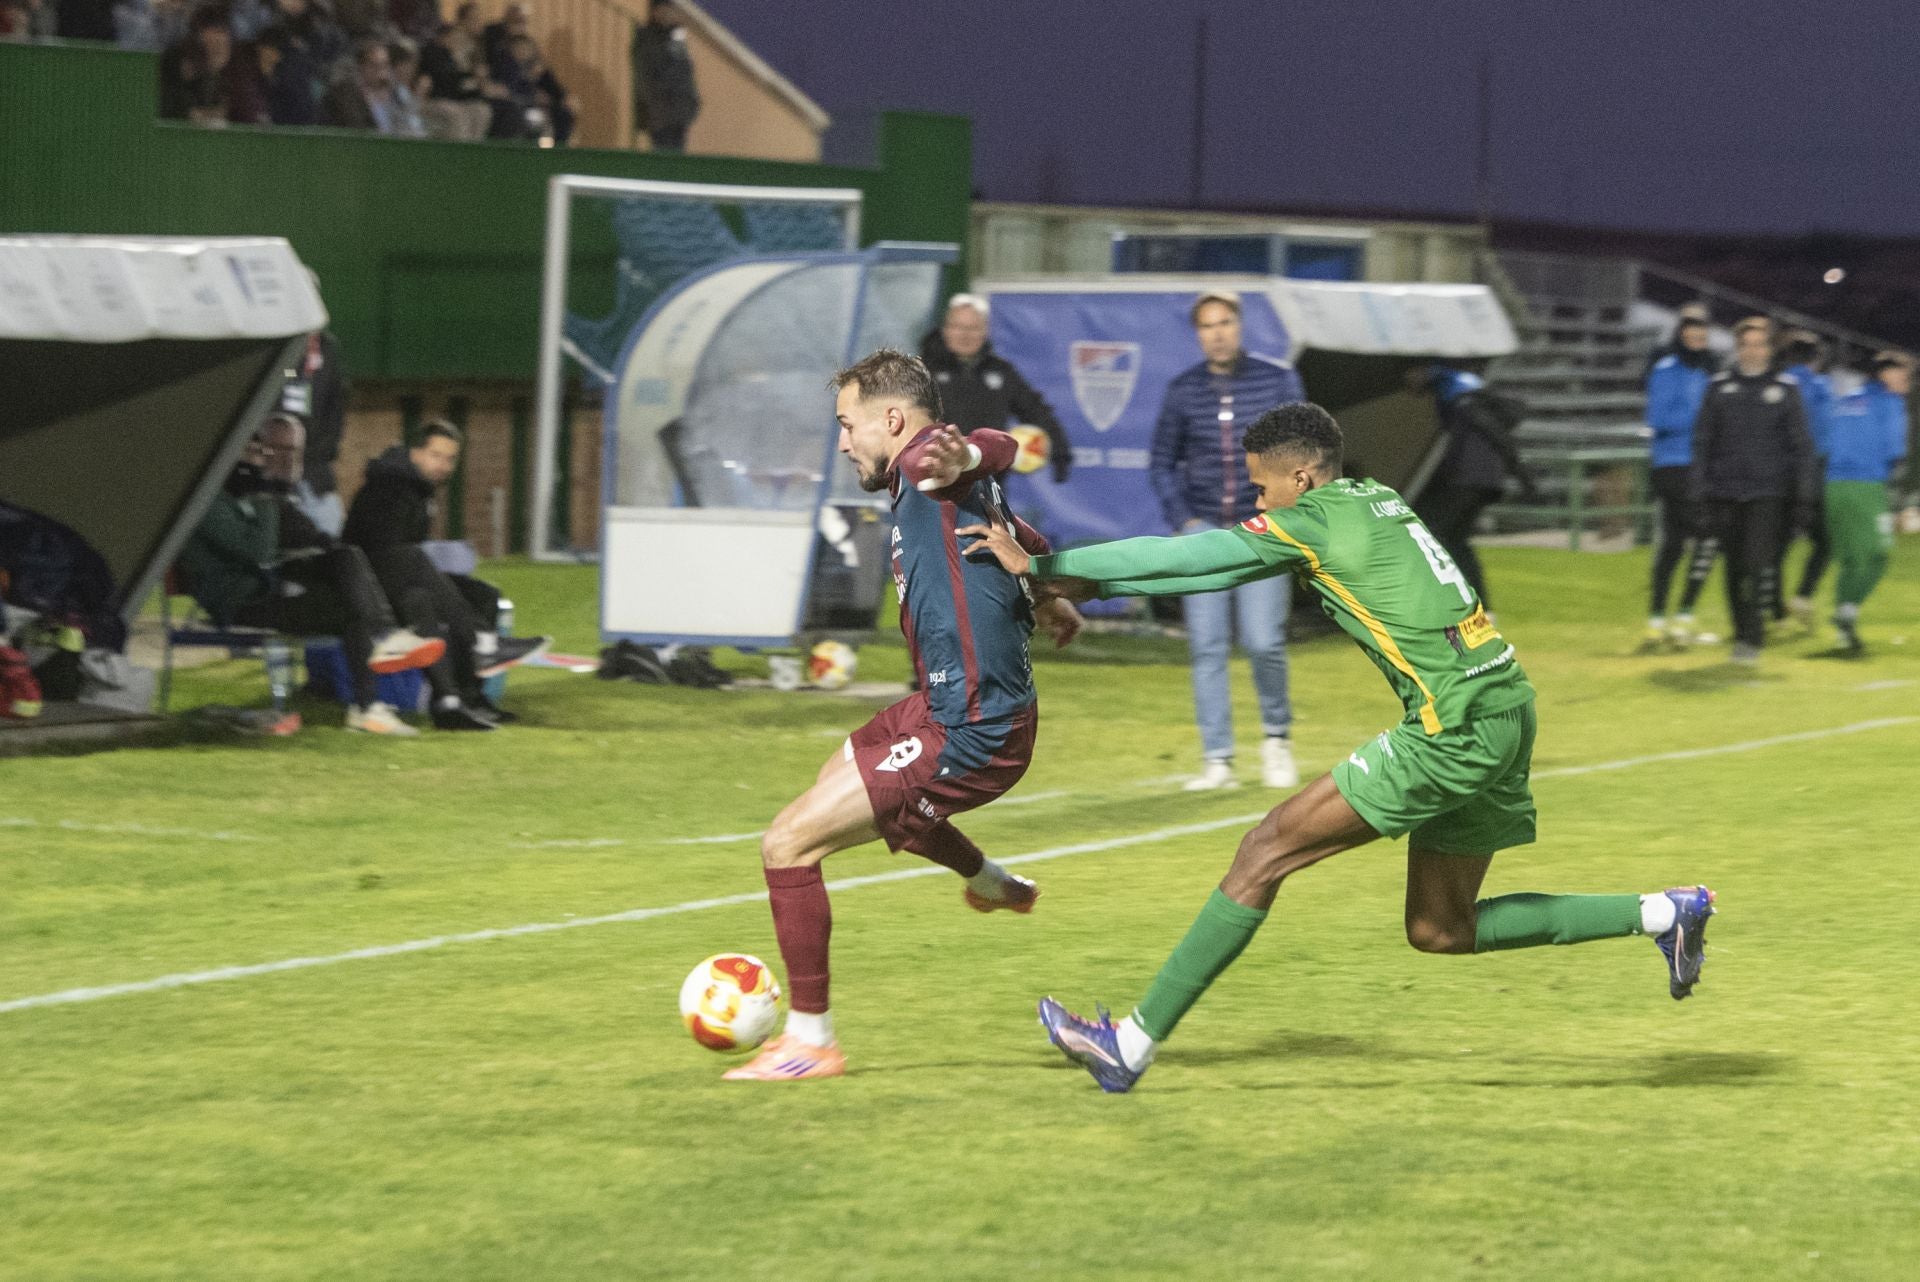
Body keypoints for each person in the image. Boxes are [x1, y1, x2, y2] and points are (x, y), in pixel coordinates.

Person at [961, 402, 1717, 1094]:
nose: (1257, 503)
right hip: (1506, 707)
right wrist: (1084, 588)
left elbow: (1197, 557)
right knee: (1440, 929)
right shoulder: (1378, 497)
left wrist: (1051, 567)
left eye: (1262, 488)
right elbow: (1223, 565)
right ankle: (1664, 913)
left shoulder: (1314, 518)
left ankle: (1128, 1045)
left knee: (1264, 851)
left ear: (1302, 475)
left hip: (1451, 726)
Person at [719, 349, 1084, 1083]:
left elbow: (998, 450)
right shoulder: (931, 486)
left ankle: (810, 1041)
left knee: (787, 843)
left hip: (976, 729)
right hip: (944, 706)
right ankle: (989, 881)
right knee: (834, 785)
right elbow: (1010, 521)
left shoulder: (927, 462)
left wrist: (969, 449)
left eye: (848, 425)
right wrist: (1047, 589)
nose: (844, 441)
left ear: (892, 419)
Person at [176, 415, 445, 735]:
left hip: (266, 588)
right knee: (347, 599)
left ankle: (370, 699)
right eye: (250, 450)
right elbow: (257, 552)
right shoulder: (205, 499)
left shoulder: (238, 493)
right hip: (238, 602)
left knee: (345, 563)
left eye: (258, 450)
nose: (257, 458)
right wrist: (264, 496)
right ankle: (379, 657)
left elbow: (303, 538)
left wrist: (306, 541)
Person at [1148, 289, 1306, 791]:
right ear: (1198, 334)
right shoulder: (1183, 390)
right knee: (1208, 647)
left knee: (1263, 641)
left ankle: (1276, 739)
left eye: (1226, 323)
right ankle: (1218, 758)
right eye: (1207, 326)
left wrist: (1289, 513)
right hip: (1206, 536)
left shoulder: (1277, 379)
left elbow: (1305, 450)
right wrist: (1183, 519)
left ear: (1240, 326)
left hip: (1263, 533)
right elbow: (1161, 461)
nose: (1217, 333)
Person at [343, 420, 549, 729]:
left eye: (450, 459)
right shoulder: (387, 485)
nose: (443, 465)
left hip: (401, 577)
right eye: (436, 455)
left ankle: (469, 698)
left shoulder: (417, 488)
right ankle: (456, 687)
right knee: (420, 597)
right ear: (415, 452)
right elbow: (379, 551)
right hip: (368, 584)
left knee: (483, 595)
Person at [1687, 317, 1817, 663]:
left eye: (1759, 344)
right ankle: (1742, 632)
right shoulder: (1719, 387)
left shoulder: (1785, 389)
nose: (1752, 350)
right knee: (1733, 567)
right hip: (1725, 492)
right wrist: (1698, 493)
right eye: (1746, 344)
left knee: (1758, 563)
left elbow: (1801, 447)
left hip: (1768, 492)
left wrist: (1804, 495)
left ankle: (1754, 634)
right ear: (1737, 348)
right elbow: (1702, 442)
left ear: (1770, 349)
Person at [1407, 361, 1535, 618]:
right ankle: (1482, 609)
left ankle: (1437, 606)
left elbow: (1493, 433)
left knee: (1430, 533)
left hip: (1470, 478)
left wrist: (1523, 475)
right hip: (1484, 479)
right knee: (1456, 540)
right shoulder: (1462, 389)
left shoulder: (1459, 393)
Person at [917, 293, 1071, 482]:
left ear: (985, 332)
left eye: (973, 328)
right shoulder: (922, 371)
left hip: (988, 480)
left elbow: (1036, 410)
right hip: (935, 477)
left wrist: (1060, 452)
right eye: (958, 327)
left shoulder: (1002, 372)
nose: (965, 335)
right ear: (945, 329)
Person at [1821, 352, 1911, 652]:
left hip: (1833, 485)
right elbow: (1893, 451)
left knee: (1849, 559)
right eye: (1903, 374)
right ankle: (1847, 613)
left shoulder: (1847, 399)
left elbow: (1825, 440)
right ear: (1885, 374)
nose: (1908, 381)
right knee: (1879, 556)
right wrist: (1899, 501)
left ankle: (1843, 626)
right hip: (1867, 487)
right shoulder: (1891, 403)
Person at [1643, 312, 1718, 644]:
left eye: (1701, 339)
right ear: (1679, 338)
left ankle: (1659, 620)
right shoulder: (1666, 371)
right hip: (1674, 464)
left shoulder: (1708, 373)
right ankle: (1683, 615)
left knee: (1672, 544)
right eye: (1691, 339)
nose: (1696, 345)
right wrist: (1704, 420)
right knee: (1708, 536)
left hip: (1700, 465)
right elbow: (1658, 418)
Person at [1778, 331, 1836, 626]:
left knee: (1779, 543)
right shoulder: (1822, 386)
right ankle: (1802, 596)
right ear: (1817, 358)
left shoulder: (1778, 385)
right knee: (1824, 541)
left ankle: (1774, 608)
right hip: (1815, 473)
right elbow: (1828, 435)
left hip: (1780, 473)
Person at [631, 0, 698, 153]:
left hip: (679, 112)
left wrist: (691, 102)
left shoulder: (676, 37)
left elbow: (685, 72)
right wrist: (657, 108)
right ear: (654, 11)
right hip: (660, 114)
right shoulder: (646, 39)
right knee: (664, 159)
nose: (668, 14)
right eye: (664, 9)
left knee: (677, 160)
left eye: (671, 10)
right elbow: (645, 78)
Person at [322, 38, 422, 135]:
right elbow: (355, 127)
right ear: (362, 67)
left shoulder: (397, 92)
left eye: (385, 65)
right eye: (375, 66)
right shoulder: (346, 95)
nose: (381, 72)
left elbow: (412, 124)